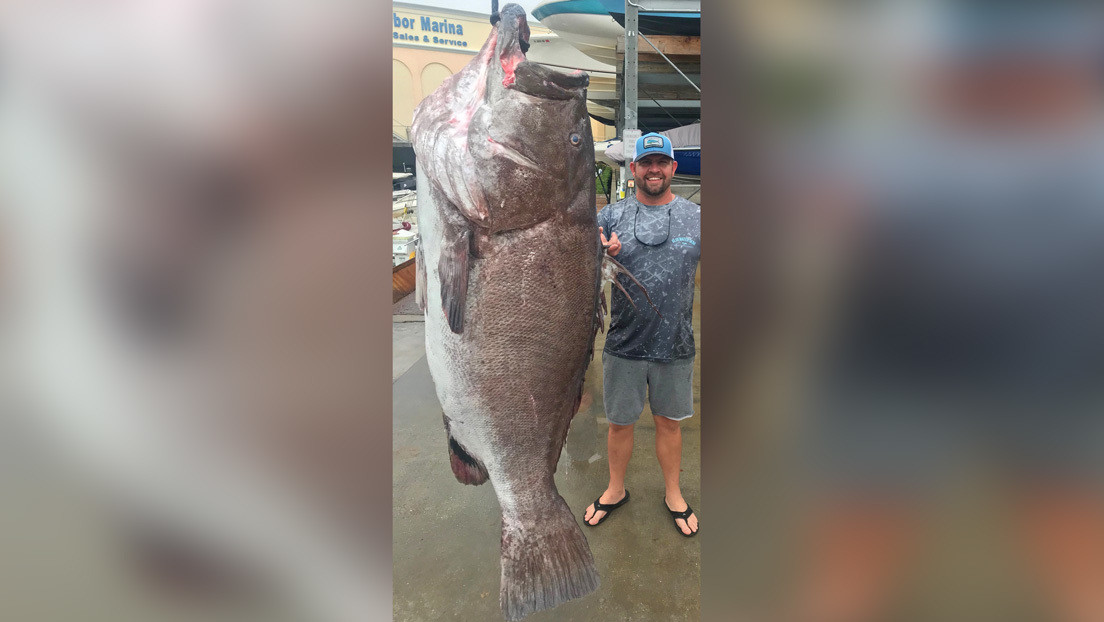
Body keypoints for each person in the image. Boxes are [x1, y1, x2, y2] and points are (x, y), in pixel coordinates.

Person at [581, 132, 701, 537]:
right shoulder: (609, 217)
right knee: (619, 425)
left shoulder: (697, 217)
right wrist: (599, 252)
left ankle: (673, 493)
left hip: (676, 344)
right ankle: (615, 489)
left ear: (673, 168)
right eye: (646, 162)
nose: (654, 169)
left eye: (661, 162)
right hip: (623, 344)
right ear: (633, 169)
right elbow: (578, 262)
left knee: (669, 424)